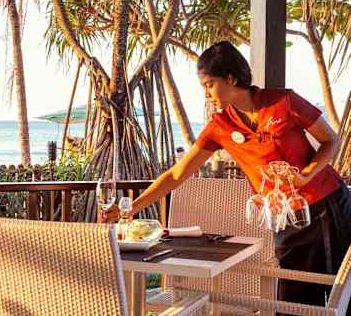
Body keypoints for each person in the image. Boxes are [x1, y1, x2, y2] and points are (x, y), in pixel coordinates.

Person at [103, 41, 351, 310]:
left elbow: (330, 140)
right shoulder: (220, 126)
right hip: (284, 219)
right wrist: (129, 210)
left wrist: (305, 176)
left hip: (326, 206)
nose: (206, 94)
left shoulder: (284, 101)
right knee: (293, 304)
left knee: (337, 294)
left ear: (231, 78)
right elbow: (176, 174)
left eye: (209, 84)